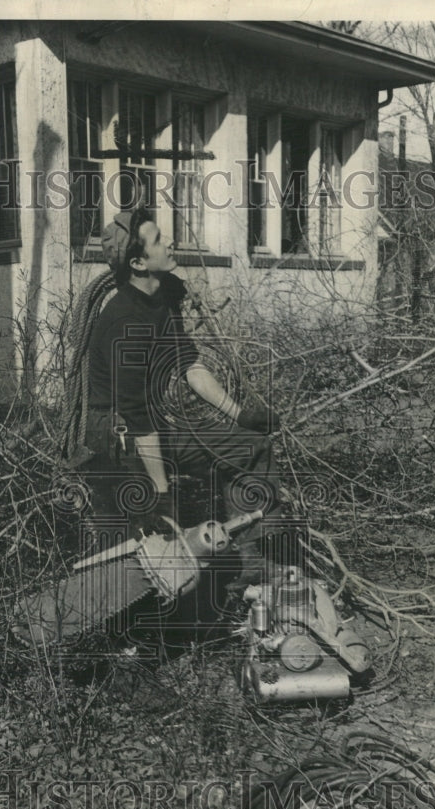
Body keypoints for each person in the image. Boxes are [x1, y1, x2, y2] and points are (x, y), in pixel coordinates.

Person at [82, 206, 282, 574]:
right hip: (117, 434)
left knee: (252, 448)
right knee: (152, 540)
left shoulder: (163, 298)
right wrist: (160, 490)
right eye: (159, 240)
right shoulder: (125, 320)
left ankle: (254, 571)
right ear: (139, 263)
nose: (170, 242)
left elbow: (189, 364)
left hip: (148, 425)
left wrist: (240, 414)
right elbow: (136, 417)